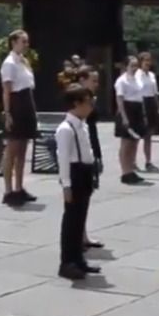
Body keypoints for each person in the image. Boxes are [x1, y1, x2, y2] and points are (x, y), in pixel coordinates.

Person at [56, 84, 101, 280]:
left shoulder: (82, 124)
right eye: (87, 102)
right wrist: (66, 185)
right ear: (76, 104)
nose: (91, 106)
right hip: (74, 173)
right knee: (72, 220)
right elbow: (63, 158)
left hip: (85, 172)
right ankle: (67, 262)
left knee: (81, 217)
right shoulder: (65, 129)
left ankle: (79, 259)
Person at [0, 30, 39, 206]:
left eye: (27, 41)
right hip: (16, 102)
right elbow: (6, 90)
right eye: (23, 41)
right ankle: (8, 190)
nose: (26, 44)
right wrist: (7, 113)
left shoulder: (23, 61)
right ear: (14, 42)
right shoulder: (9, 64)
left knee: (23, 148)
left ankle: (19, 187)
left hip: (27, 101)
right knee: (12, 149)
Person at [76, 66, 104, 251]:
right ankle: (79, 235)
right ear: (83, 80)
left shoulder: (90, 100)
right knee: (80, 196)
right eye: (93, 80)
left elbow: (93, 131)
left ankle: (83, 234)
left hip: (91, 146)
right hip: (81, 152)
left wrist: (98, 154)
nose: (96, 84)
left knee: (87, 194)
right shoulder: (77, 100)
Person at [115, 56, 147, 185]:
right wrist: (124, 117)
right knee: (126, 143)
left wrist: (143, 113)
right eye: (132, 65)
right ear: (126, 66)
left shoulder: (137, 79)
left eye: (136, 65)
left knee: (135, 141)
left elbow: (140, 96)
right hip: (127, 109)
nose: (134, 68)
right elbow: (120, 100)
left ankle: (131, 169)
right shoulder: (121, 81)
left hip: (137, 109)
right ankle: (125, 172)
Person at [138, 52, 159, 172]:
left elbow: (155, 92)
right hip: (141, 102)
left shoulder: (152, 75)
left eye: (149, 60)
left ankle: (148, 161)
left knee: (149, 134)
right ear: (141, 62)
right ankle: (132, 161)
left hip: (151, 102)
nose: (148, 63)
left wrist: (158, 106)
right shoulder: (137, 75)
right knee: (138, 134)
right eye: (145, 60)